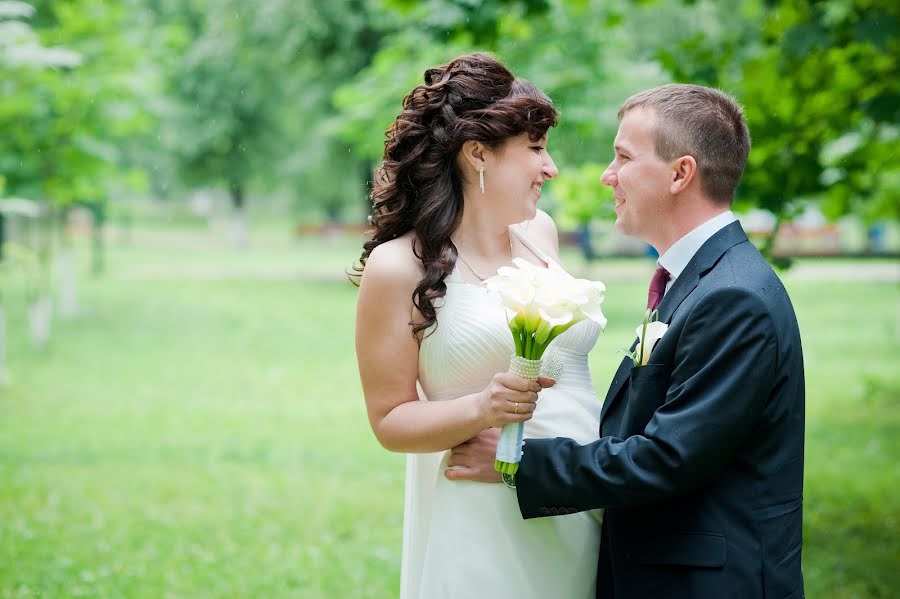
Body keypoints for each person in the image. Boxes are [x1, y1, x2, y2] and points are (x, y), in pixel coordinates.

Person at [451, 84, 806, 598]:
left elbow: (669, 456)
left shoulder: (735, 297)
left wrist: (521, 464)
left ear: (681, 174)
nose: (607, 175)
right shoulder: (700, 281)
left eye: (622, 157)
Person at [353, 53, 604, 599]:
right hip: (482, 516)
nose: (550, 166)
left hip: (576, 497)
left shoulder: (541, 233)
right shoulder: (399, 268)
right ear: (478, 154)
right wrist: (480, 410)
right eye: (535, 148)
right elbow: (388, 419)